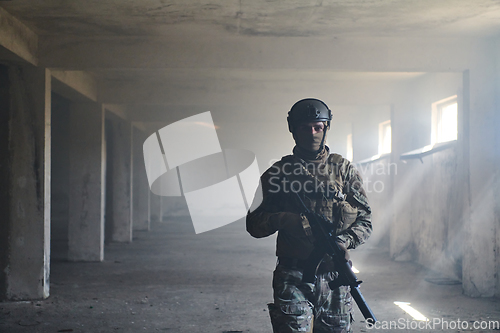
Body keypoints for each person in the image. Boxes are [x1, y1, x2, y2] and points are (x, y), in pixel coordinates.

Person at [246, 98, 372, 333]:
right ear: (293, 129)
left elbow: (365, 218)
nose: (312, 133)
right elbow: (253, 224)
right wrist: (284, 219)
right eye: (305, 127)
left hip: (335, 274)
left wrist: (343, 241)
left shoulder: (343, 170)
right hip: (293, 275)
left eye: (318, 127)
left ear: (326, 128)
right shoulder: (277, 174)